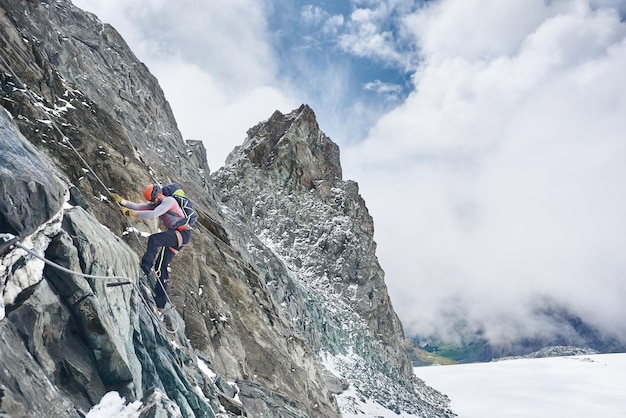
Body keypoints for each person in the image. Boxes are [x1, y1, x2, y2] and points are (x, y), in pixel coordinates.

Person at [111, 184, 191, 315]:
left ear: (158, 195)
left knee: (154, 239)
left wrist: (132, 214)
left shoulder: (169, 201)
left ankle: (145, 270)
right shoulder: (156, 203)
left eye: (153, 200)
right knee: (161, 266)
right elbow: (138, 206)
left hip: (182, 233)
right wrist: (121, 201)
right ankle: (160, 305)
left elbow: (154, 214)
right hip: (179, 234)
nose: (152, 203)